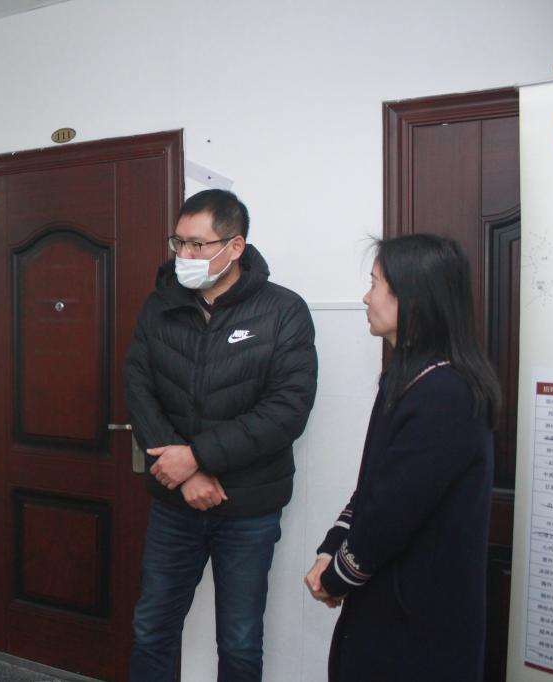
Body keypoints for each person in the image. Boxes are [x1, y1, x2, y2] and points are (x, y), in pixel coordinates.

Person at [124, 189, 318, 681]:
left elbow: (287, 410)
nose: (185, 255)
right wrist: (185, 474)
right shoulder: (160, 306)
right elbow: (138, 389)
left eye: (198, 244)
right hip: (174, 502)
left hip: (248, 507)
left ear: (235, 246)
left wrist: (198, 457)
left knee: (239, 642)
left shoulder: (284, 310)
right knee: (152, 629)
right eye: (179, 243)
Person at [304, 234, 499, 681]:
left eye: (375, 284)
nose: (366, 298)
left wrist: (337, 576)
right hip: (389, 599)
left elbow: (392, 511)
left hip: (420, 616)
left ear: (413, 296)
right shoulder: (407, 377)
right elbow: (373, 486)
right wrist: (332, 548)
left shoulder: (446, 392)